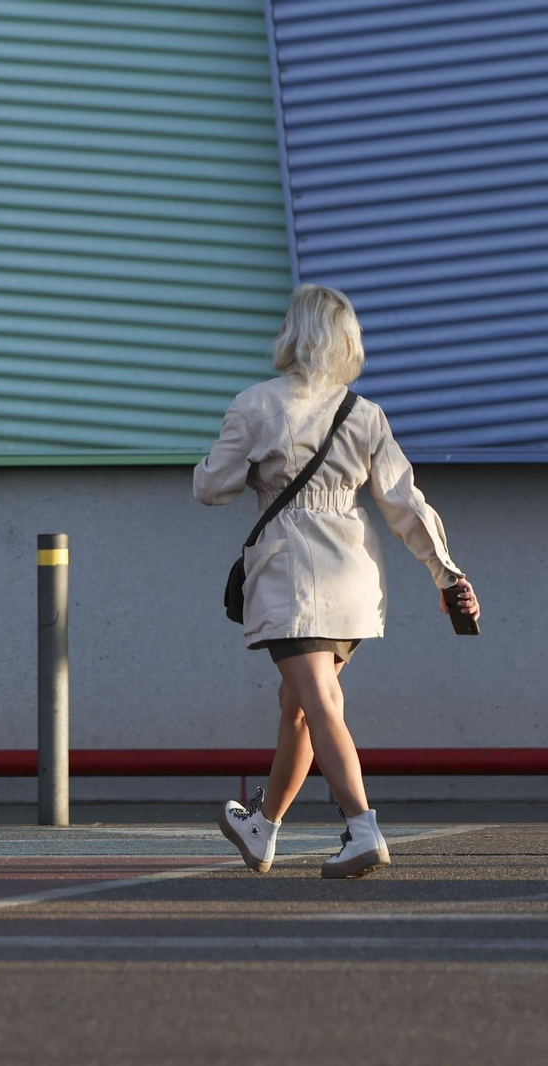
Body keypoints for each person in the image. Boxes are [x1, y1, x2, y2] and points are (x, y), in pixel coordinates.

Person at [194, 284, 480, 879]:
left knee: (318, 702)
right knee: (298, 706)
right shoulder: (366, 414)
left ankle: (362, 828)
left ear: (292, 334)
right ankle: (263, 827)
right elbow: (405, 503)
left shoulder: (256, 405)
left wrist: (249, 471)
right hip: (354, 575)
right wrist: (445, 572)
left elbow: (210, 488)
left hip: (292, 573)